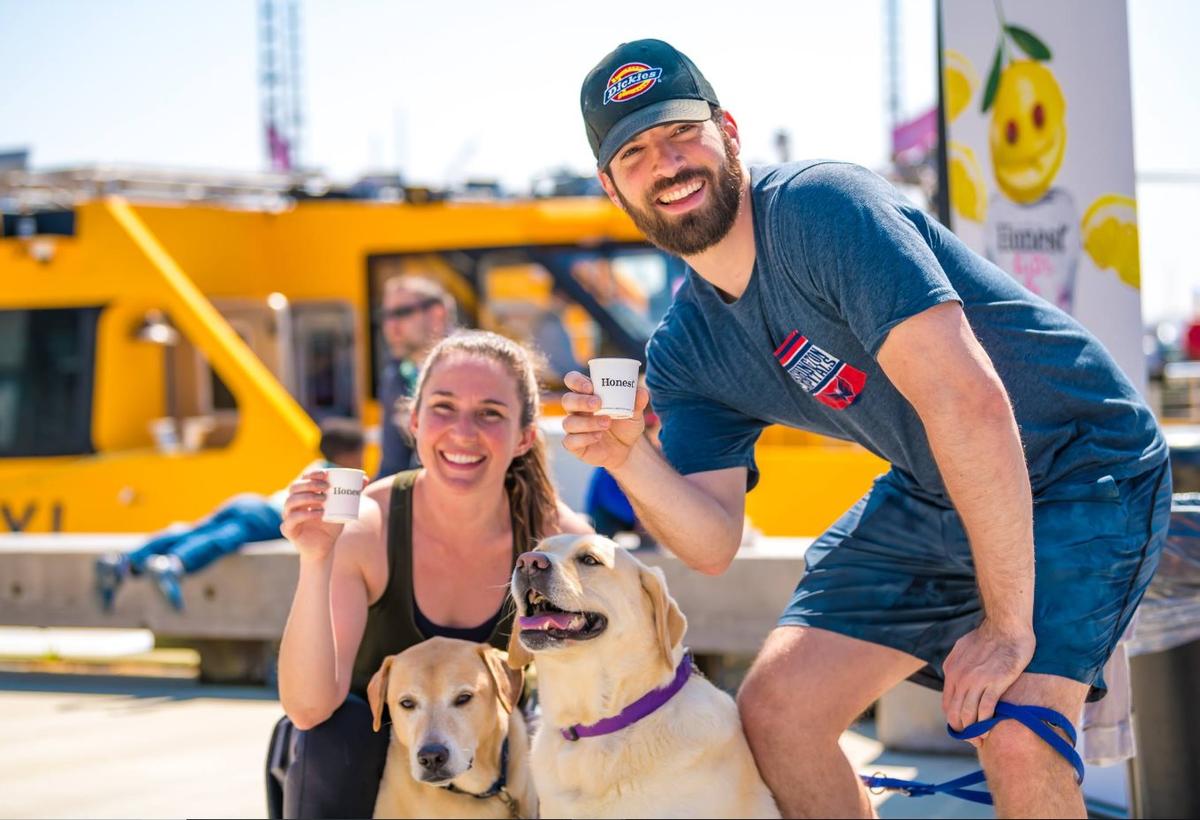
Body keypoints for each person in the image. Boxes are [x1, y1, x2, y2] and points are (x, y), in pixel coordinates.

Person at [560, 39, 1170, 818]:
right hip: (936, 484)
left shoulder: (822, 208)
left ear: (730, 132)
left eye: (682, 133)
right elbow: (712, 543)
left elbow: (970, 403)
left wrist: (1007, 625)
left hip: (1083, 465)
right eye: (637, 152)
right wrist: (631, 459)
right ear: (613, 190)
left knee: (1018, 730)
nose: (668, 162)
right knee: (778, 713)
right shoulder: (685, 351)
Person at [266, 330, 592, 819]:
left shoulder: (556, 542)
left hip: (494, 767)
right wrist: (316, 559)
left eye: (490, 413)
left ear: (525, 436)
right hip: (367, 773)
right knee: (333, 735)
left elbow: (603, 684)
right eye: (443, 407)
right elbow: (309, 708)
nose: (463, 431)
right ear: (414, 422)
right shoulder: (365, 527)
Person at [94, 417, 365, 612]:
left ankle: (127, 560)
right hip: (268, 516)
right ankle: (176, 563)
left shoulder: (316, 465)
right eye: (360, 454)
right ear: (349, 455)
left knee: (197, 530)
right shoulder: (339, 479)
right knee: (224, 539)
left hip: (252, 502)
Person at [375, 275, 456, 478]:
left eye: (402, 313)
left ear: (437, 315)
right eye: (385, 315)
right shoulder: (396, 376)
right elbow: (393, 465)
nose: (391, 326)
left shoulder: (478, 364)